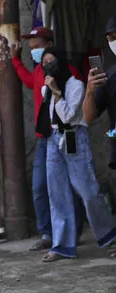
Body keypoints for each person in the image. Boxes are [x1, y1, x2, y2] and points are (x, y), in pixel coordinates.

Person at [11, 26, 85, 252]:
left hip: (65, 134)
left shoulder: (68, 71)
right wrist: (15, 60)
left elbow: (76, 102)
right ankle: (47, 233)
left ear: (50, 45)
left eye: (38, 47)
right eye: (31, 48)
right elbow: (29, 82)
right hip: (44, 137)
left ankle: (73, 232)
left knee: (72, 187)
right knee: (40, 187)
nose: (34, 52)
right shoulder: (38, 70)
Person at [37, 49, 116, 262]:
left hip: (74, 138)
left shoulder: (75, 85)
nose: (48, 65)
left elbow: (68, 114)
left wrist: (56, 92)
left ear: (61, 62)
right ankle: (61, 245)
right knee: (57, 193)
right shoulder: (47, 87)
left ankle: (110, 236)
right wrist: (51, 91)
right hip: (54, 139)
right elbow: (49, 117)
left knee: (88, 190)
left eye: (52, 60)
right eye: (44, 62)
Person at [83, 16, 116, 173]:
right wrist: (90, 89)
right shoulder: (109, 76)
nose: (114, 42)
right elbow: (89, 117)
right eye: (111, 38)